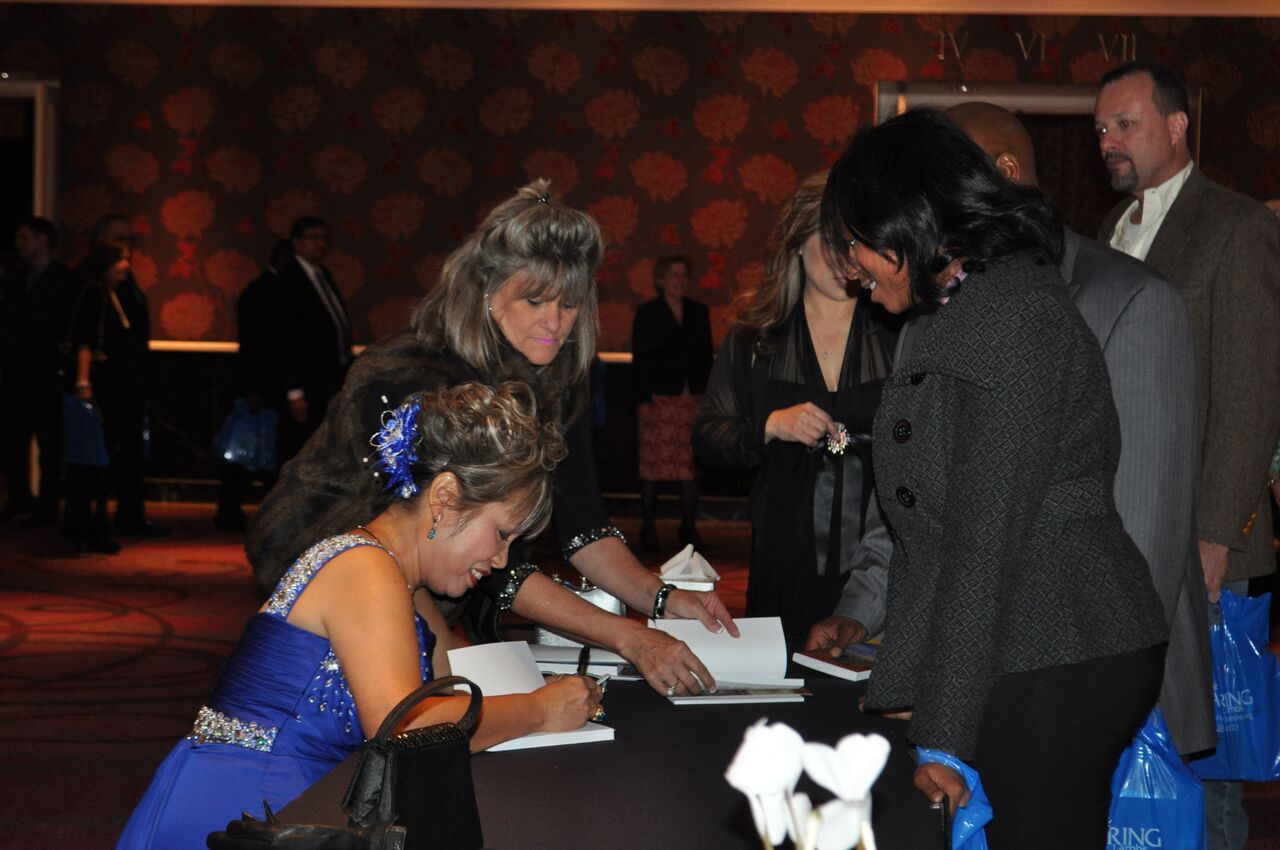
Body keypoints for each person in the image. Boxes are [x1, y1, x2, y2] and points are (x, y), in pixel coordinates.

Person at [810, 101, 1218, 759]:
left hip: (1066, 650)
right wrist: (874, 623)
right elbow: (916, 509)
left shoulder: (1112, 302)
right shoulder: (935, 309)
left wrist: (950, 719)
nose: (850, 268)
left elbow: (1142, 530)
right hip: (985, 655)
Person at [247, 180, 737, 699]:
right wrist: (628, 636)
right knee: (407, 719)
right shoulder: (411, 378)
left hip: (445, 579)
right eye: (534, 300)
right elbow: (462, 550)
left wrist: (661, 598)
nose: (555, 323)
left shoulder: (557, 380)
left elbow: (582, 526)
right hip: (330, 565)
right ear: (486, 289)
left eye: (570, 305)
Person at [117, 382, 601, 849]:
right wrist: (540, 709)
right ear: (444, 497)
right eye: (501, 534)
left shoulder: (397, 578)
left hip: (289, 801)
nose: (501, 560)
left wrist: (546, 687)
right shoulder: (367, 571)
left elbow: (453, 672)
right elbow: (407, 730)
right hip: (244, 808)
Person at [1095, 62, 1280, 850]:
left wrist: (1216, 534)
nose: (1108, 140)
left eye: (1125, 124)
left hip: (1205, 546)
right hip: (1124, 534)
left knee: (1208, 767)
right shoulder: (1109, 229)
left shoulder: (1237, 226)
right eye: (1100, 128)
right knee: (1137, 746)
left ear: (1177, 127)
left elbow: (1252, 391)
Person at [694, 172, 894, 640]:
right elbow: (706, 437)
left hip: (878, 552)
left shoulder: (896, 328)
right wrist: (769, 425)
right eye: (832, 242)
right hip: (784, 550)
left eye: (856, 243)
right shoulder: (756, 336)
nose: (847, 260)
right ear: (797, 243)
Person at [85, 214, 161, 536]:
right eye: (119, 240)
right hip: (107, 384)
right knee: (104, 452)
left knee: (129, 453)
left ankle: (130, 515)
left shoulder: (126, 284)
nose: (127, 250)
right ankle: (96, 519)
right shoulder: (93, 286)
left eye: (130, 240)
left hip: (130, 382)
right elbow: (88, 338)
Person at [631, 255, 713, 552]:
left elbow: (705, 357)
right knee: (653, 467)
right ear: (661, 279)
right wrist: (642, 399)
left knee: (689, 468)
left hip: (691, 401)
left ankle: (689, 527)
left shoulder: (698, 311)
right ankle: (648, 528)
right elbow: (641, 361)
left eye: (684, 275)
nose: (680, 280)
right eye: (674, 274)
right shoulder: (648, 313)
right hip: (658, 400)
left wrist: (707, 400)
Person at [0, 216, 78, 525]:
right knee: (12, 440)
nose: (18, 244)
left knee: (50, 445)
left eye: (24, 237)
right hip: (16, 375)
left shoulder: (64, 281)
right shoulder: (16, 279)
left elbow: (64, 327)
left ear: (42, 240)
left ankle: (47, 505)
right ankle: (19, 497)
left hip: (46, 374)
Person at [214, 239, 293, 531]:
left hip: (259, 383)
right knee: (249, 452)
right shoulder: (265, 291)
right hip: (260, 385)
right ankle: (233, 511)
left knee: (254, 453)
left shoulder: (262, 289)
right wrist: (255, 387)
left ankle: (234, 511)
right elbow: (256, 344)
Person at [64, 243, 137, 554]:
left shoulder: (113, 294)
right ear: (106, 263)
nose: (126, 266)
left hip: (109, 388)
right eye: (121, 260)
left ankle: (87, 524)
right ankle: (89, 526)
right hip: (98, 388)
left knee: (97, 459)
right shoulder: (95, 292)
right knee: (94, 459)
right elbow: (85, 339)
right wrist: (83, 382)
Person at [275, 217, 354, 464]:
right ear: (297, 243)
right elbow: (285, 338)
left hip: (330, 377)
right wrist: (294, 392)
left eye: (324, 238)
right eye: (314, 238)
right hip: (307, 381)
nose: (321, 244)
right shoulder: (288, 280)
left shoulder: (322, 275)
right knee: (303, 449)